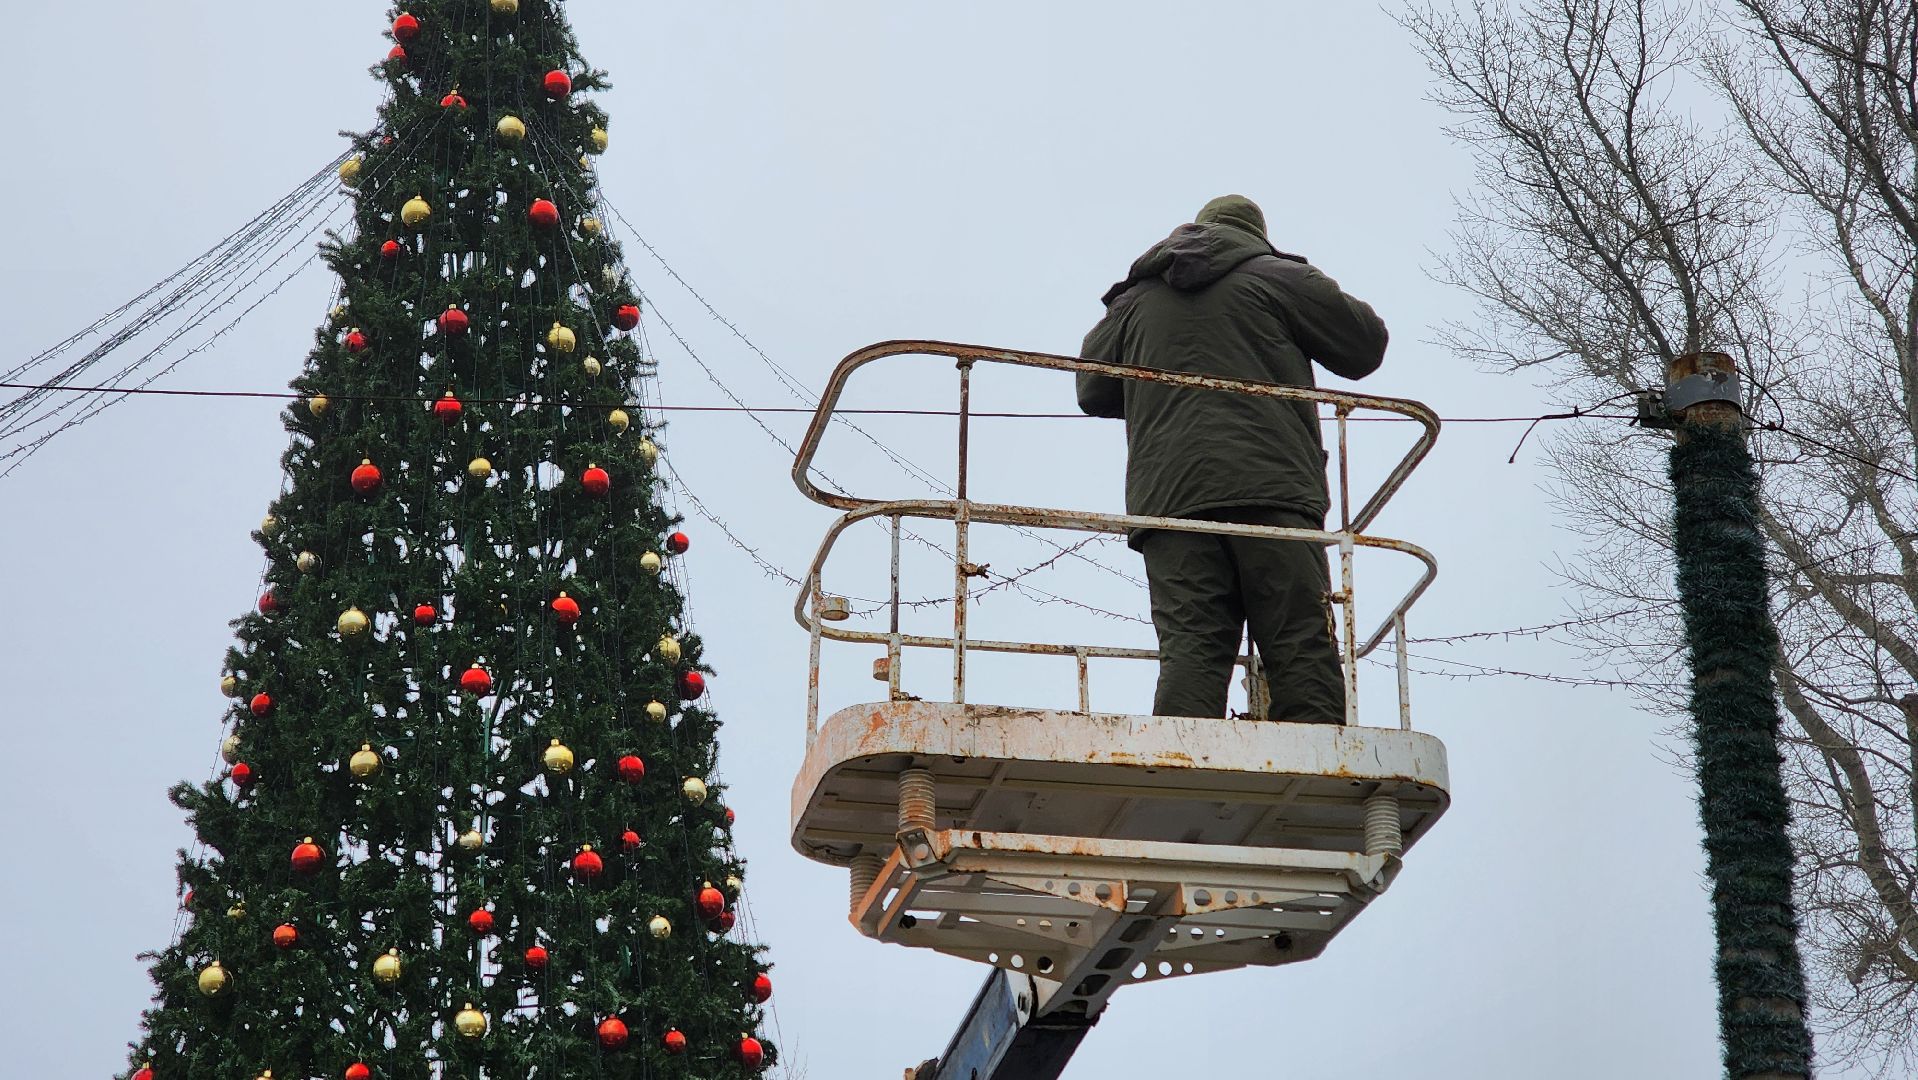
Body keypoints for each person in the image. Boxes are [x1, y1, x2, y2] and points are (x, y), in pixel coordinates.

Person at [1077, 194, 1388, 724]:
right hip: (1271, 490)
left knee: (1193, 646)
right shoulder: (1276, 275)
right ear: (1256, 234)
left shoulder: (1135, 299)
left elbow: (1091, 389)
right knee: (1296, 635)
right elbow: (1365, 346)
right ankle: (1313, 767)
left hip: (1169, 502)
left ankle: (1179, 766)